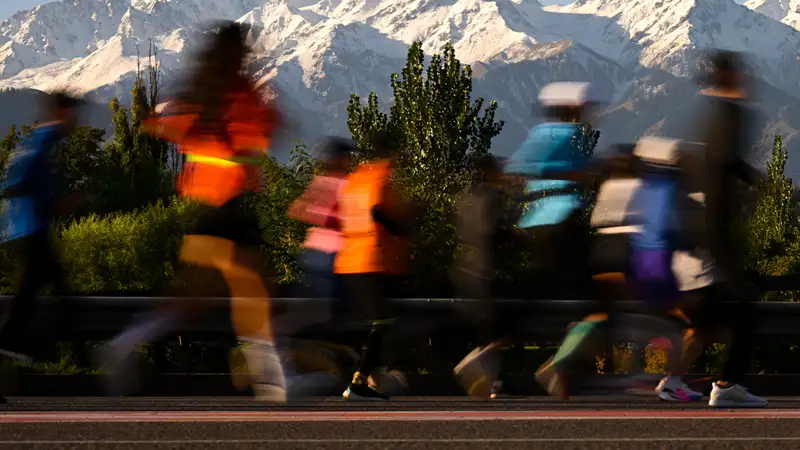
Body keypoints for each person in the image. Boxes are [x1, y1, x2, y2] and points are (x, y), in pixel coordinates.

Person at [97, 22, 287, 401]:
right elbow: (198, 129)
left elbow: (236, 129)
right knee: (250, 287)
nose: (248, 54)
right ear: (233, 52)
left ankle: (123, 345)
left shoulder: (220, 86)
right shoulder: (221, 88)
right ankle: (273, 379)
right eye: (243, 50)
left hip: (218, 204)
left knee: (207, 295)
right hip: (222, 205)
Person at [665, 50, 766, 408]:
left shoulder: (715, 113)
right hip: (714, 231)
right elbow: (724, 161)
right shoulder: (728, 112)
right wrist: (753, 176)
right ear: (726, 76)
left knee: (709, 317)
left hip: (701, 229)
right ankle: (726, 384)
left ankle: (673, 379)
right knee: (745, 309)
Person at [0, 91, 84, 368]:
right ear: (61, 111)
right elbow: (19, 183)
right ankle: (68, 356)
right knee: (49, 297)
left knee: (35, 297)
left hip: (25, 230)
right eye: (72, 113)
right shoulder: (44, 140)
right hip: (31, 230)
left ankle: (28, 350)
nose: (76, 120)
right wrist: (55, 203)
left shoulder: (38, 139)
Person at [334, 131, 414, 401]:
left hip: (349, 261)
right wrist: (405, 227)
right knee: (383, 322)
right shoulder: (381, 177)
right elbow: (378, 211)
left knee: (378, 322)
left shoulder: (356, 177)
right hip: (374, 261)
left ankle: (368, 376)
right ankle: (359, 380)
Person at [451, 155, 511, 399]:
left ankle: (489, 381)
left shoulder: (465, 198)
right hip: (485, 269)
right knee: (497, 329)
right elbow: (494, 232)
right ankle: (485, 376)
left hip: (465, 268)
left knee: (485, 329)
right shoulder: (492, 198)